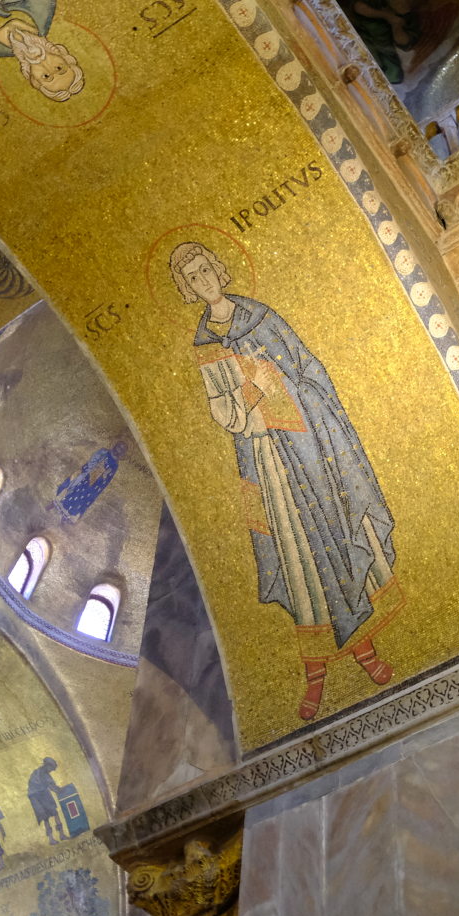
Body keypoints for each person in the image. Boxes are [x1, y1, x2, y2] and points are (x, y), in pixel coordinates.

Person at [169, 240, 400, 721]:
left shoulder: (263, 318)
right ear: (187, 288)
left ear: (218, 269)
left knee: (337, 541)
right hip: (269, 460)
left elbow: (309, 368)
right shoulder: (205, 346)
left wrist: (287, 388)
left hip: (313, 449)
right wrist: (252, 390)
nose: (202, 279)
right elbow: (225, 413)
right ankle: (315, 674)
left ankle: (365, 651)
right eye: (191, 277)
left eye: (204, 269)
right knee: (299, 560)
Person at [26, 757, 69, 843]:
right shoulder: (42, 774)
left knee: (51, 815)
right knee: (48, 816)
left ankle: (58, 836)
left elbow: (50, 785)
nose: (51, 770)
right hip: (38, 797)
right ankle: (54, 837)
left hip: (41, 795)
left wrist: (57, 789)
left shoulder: (39, 772)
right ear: (47, 766)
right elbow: (51, 786)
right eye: (51, 768)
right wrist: (60, 790)